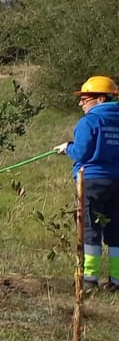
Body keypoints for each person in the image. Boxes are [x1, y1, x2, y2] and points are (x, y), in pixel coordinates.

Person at [59, 75, 119, 291]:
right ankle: (116, 281)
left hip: (92, 180)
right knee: (116, 230)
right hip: (117, 181)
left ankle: (90, 280)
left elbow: (82, 152)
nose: (80, 103)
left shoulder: (90, 122)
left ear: (101, 99)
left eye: (85, 98)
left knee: (90, 228)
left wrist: (67, 148)